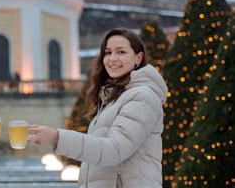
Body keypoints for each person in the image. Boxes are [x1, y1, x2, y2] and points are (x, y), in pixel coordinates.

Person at [28, 28, 167, 187]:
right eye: (108, 53)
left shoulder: (142, 97)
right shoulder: (112, 98)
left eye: (121, 52)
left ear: (138, 57)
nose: (112, 58)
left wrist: (57, 137)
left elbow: (114, 150)